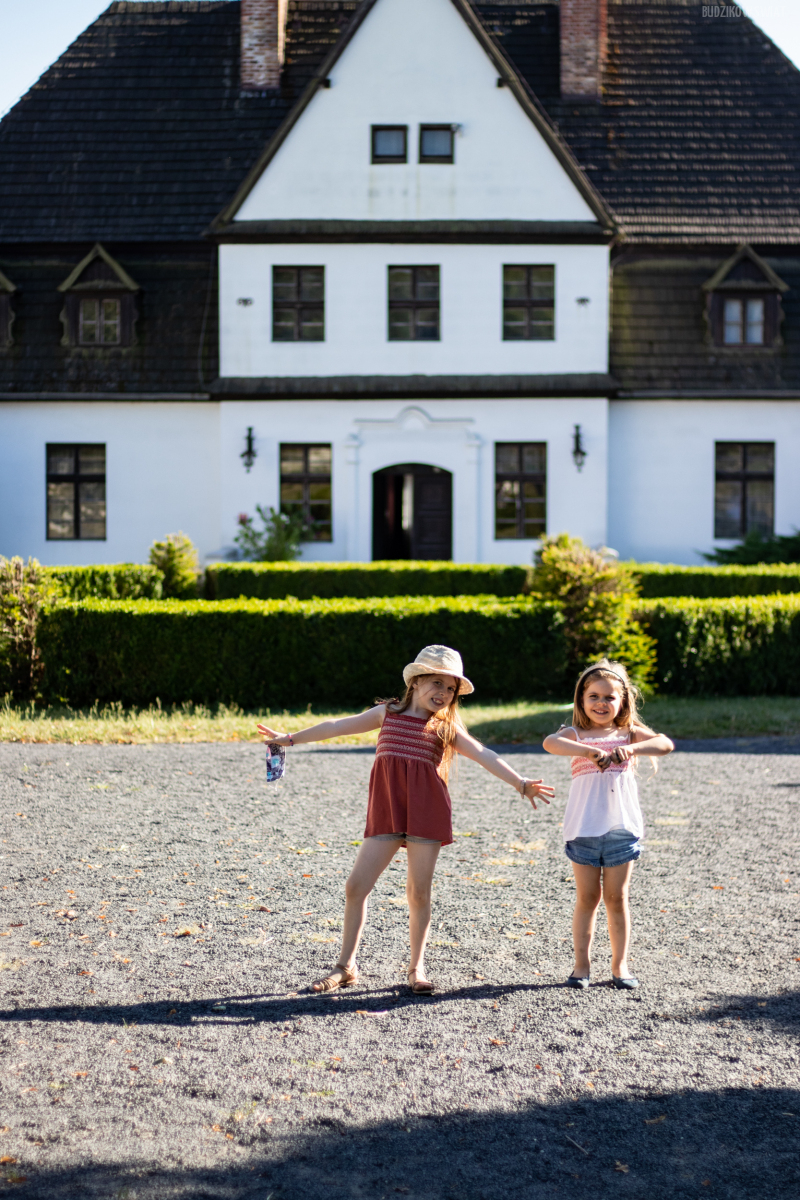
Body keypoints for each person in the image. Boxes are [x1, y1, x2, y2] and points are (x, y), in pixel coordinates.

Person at [257, 645, 554, 995]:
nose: (443, 693)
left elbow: (483, 753)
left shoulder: (445, 728)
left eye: (450, 688)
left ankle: (417, 968)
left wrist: (521, 783)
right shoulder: (387, 713)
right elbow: (338, 726)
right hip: (387, 811)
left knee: (418, 893)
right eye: (436, 683)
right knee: (355, 887)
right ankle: (346, 966)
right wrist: (290, 739)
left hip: (426, 813)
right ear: (415, 682)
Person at [543, 658, 673, 990]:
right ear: (581, 699)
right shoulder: (576, 734)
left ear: (623, 700)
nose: (601, 703)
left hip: (621, 829)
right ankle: (581, 966)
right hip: (583, 829)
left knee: (617, 898)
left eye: (609, 697)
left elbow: (664, 744)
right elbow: (550, 743)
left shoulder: (628, 733)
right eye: (594, 697)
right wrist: (588, 752)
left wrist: (631, 749)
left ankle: (620, 966)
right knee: (587, 898)